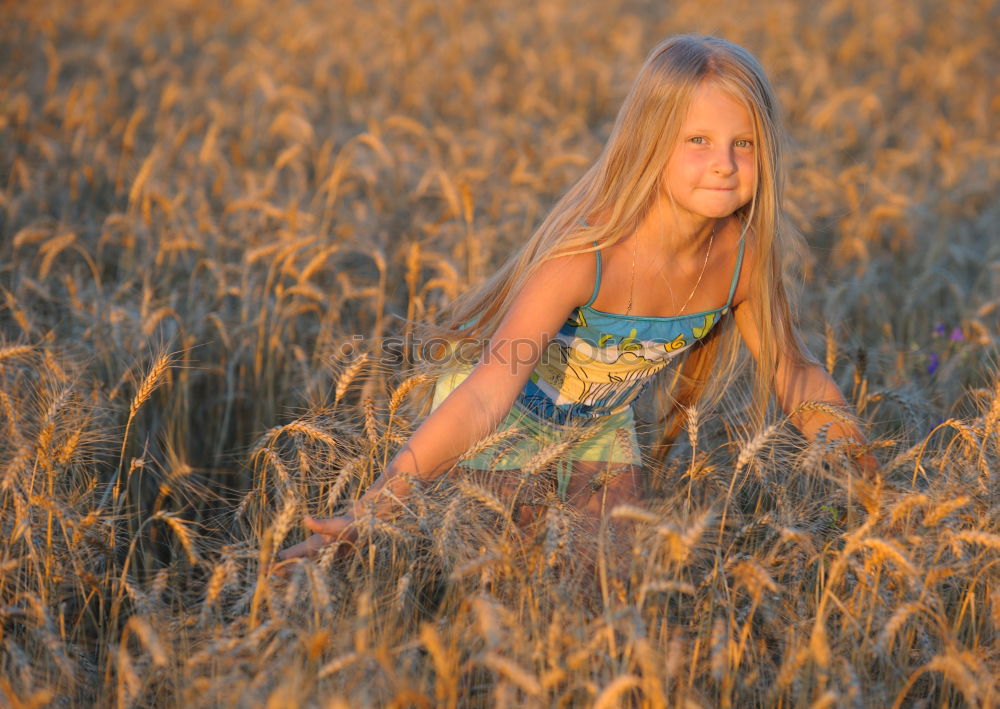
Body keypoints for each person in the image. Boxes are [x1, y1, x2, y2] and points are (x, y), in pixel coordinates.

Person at [277, 34, 876, 566]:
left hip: (598, 427)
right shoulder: (586, 256)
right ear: (650, 144)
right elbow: (486, 393)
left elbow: (792, 372)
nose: (723, 165)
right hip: (499, 422)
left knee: (609, 594)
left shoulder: (742, 260)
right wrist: (380, 503)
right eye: (698, 140)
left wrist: (867, 477)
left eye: (743, 143)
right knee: (506, 590)